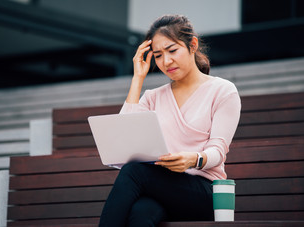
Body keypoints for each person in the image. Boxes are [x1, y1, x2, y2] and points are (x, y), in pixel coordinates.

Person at [99, 14, 241, 227]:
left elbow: (218, 151)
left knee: (134, 171)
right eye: (158, 55)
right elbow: (124, 143)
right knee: (141, 213)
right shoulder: (153, 97)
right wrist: (138, 78)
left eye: (172, 51)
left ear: (192, 45)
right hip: (162, 189)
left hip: (204, 192)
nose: (166, 62)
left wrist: (193, 159)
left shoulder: (223, 91)